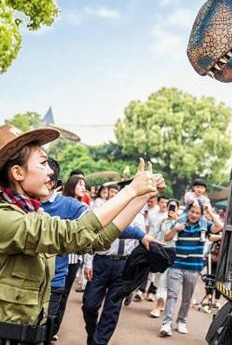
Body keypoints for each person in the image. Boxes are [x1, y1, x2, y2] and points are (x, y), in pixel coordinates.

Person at [0, 123, 163, 344]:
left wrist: (142, 196)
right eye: (43, 163)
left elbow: (99, 239)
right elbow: (74, 232)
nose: (50, 172)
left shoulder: (32, 214)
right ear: (17, 172)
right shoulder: (6, 219)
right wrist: (130, 189)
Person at [82, 202, 155, 345]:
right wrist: (88, 263)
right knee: (89, 305)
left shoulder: (138, 218)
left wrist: (135, 271)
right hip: (100, 262)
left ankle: (99, 342)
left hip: (123, 265)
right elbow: (91, 236)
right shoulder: (108, 212)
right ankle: (93, 334)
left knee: (112, 310)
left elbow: (140, 245)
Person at [160, 200, 223, 337]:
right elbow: (166, 237)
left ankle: (181, 321)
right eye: (192, 211)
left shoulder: (204, 226)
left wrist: (210, 211)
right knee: (172, 295)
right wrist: (176, 229)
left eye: (197, 213)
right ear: (188, 211)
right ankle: (167, 324)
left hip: (193, 268)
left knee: (187, 298)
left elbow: (219, 226)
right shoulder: (180, 223)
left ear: (201, 214)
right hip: (176, 265)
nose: (194, 215)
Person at [41, 159, 89, 341]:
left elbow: (99, 225)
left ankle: (53, 330)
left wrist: (134, 195)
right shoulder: (19, 203)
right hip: (23, 286)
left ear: (51, 182)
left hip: (56, 280)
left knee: (45, 330)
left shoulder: (71, 205)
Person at [150, 198, 179, 318]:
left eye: (174, 207)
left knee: (163, 281)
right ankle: (161, 303)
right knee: (158, 280)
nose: (171, 209)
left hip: (173, 254)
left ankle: (158, 305)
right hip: (161, 253)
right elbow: (154, 235)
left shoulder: (180, 223)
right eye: (170, 207)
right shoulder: (161, 221)